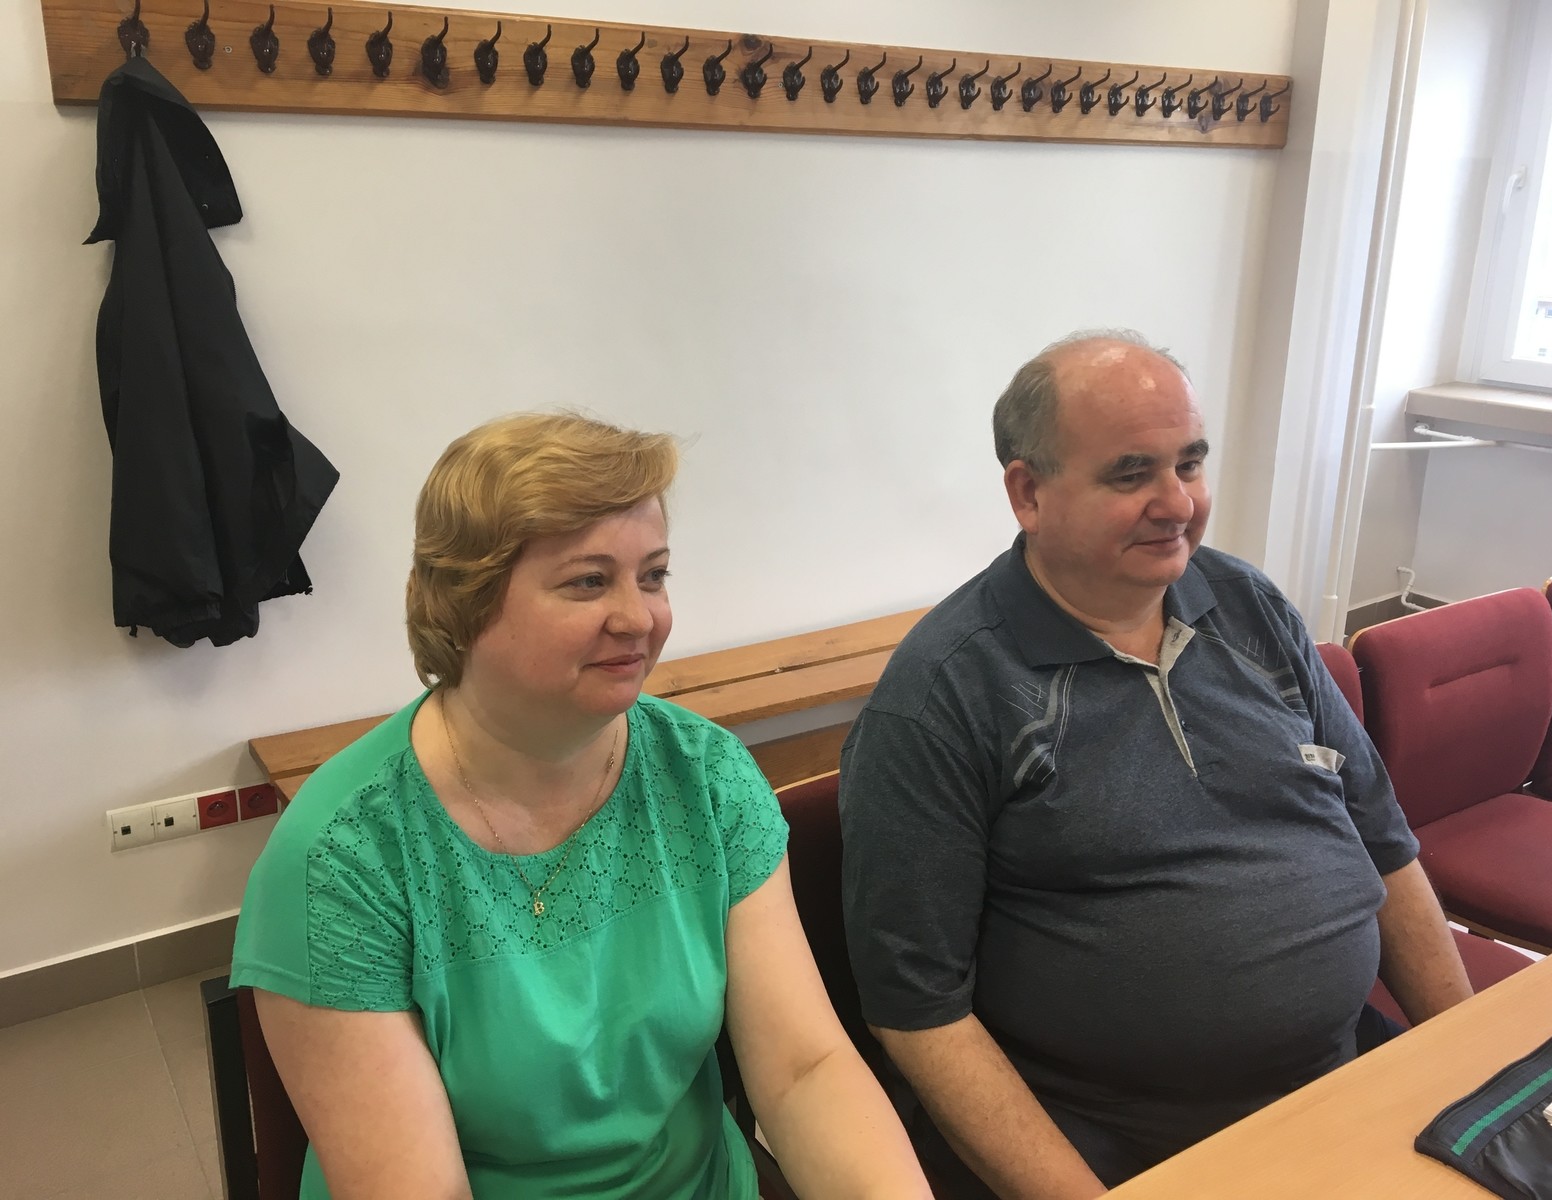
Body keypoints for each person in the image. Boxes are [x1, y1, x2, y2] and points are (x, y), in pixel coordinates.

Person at [838, 332, 1472, 1199]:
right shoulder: (943, 697)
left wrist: (1471, 1072)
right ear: (1028, 493)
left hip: (1340, 1086)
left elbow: (1384, 846)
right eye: (1132, 474)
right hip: (1130, 1150)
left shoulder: (1250, 608)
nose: (1178, 504)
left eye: (1191, 463)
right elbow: (919, 1013)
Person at [234, 413, 930, 1200]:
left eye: (653, 576)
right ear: (466, 601)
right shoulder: (341, 860)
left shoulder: (704, 777)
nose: (639, 618)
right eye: (589, 581)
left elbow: (804, 1071)